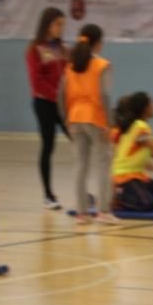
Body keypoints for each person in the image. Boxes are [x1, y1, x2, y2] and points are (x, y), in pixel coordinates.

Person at [58, 24, 118, 225]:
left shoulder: (71, 65)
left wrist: (66, 119)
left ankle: (82, 213)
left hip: (74, 117)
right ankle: (103, 211)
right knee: (103, 163)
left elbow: (61, 96)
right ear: (99, 43)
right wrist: (109, 123)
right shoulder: (102, 65)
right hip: (95, 118)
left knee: (80, 166)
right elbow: (104, 96)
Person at [26, 7, 69, 210]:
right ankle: (48, 195)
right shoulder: (35, 49)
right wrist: (57, 96)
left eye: (63, 24)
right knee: (48, 145)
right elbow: (37, 81)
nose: (61, 28)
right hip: (44, 103)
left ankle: (84, 189)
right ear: (48, 24)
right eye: (58, 24)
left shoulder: (63, 49)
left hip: (63, 104)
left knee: (79, 142)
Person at [111, 92, 153, 213]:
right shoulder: (140, 127)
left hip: (137, 174)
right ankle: (118, 197)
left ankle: (130, 192)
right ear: (145, 108)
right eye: (152, 103)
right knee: (147, 204)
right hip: (124, 176)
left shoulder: (140, 127)